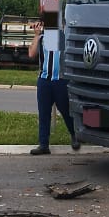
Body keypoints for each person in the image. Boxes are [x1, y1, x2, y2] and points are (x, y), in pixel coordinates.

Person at [28, 17, 79, 155]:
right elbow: (31, 54)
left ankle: (75, 135)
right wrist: (37, 35)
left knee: (67, 111)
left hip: (61, 80)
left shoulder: (64, 37)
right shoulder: (43, 38)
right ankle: (43, 144)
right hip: (44, 80)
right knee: (44, 113)